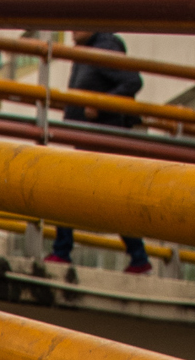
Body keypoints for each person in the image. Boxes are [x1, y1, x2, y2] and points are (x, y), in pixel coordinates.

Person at [45, 29, 152, 274]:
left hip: (101, 138)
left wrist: (100, 103)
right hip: (89, 138)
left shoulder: (104, 46)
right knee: (107, 195)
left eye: (78, 24)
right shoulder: (86, 50)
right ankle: (139, 257)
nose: (72, 30)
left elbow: (132, 81)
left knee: (68, 189)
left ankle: (63, 250)